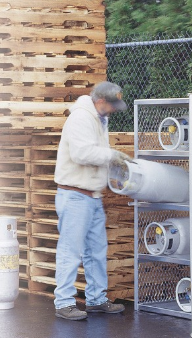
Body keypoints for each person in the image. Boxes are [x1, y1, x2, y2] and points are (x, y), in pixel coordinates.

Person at [53, 81, 132, 320]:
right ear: (100, 101)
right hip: (75, 194)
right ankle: (64, 302)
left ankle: (96, 299)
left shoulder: (99, 119)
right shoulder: (81, 118)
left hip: (92, 196)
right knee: (71, 250)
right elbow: (82, 153)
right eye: (112, 105)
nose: (114, 110)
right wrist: (112, 156)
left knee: (96, 251)